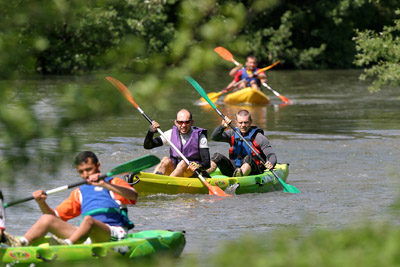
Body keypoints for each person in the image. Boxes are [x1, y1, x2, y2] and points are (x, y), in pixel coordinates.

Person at [2, 151, 138, 247]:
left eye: (89, 169)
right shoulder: (79, 192)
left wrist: (105, 184)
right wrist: (41, 203)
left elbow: (133, 196)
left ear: (98, 166)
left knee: (88, 220)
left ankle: (67, 245)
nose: (85, 174)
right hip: (86, 235)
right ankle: (22, 243)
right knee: (46, 219)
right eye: (81, 171)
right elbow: (55, 217)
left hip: (113, 232)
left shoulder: (113, 182)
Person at [206, 110, 277, 177]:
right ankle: (203, 173)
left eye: (246, 122)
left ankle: (239, 176)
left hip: (253, 170)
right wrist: (222, 127)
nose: (243, 125)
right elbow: (214, 137)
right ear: (236, 122)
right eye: (240, 123)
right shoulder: (232, 133)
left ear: (251, 121)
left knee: (248, 158)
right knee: (217, 156)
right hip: (234, 168)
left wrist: (271, 163)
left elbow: (271, 155)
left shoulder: (258, 137)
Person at [144, 109, 211, 177]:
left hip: (191, 173)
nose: (183, 125)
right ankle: (156, 179)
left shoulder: (200, 137)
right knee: (165, 160)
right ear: (176, 122)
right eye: (180, 122)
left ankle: (167, 184)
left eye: (187, 122)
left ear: (192, 122)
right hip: (175, 171)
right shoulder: (170, 133)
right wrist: (150, 132)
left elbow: (207, 163)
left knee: (183, 163)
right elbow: (148, 146)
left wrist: (198, 166)